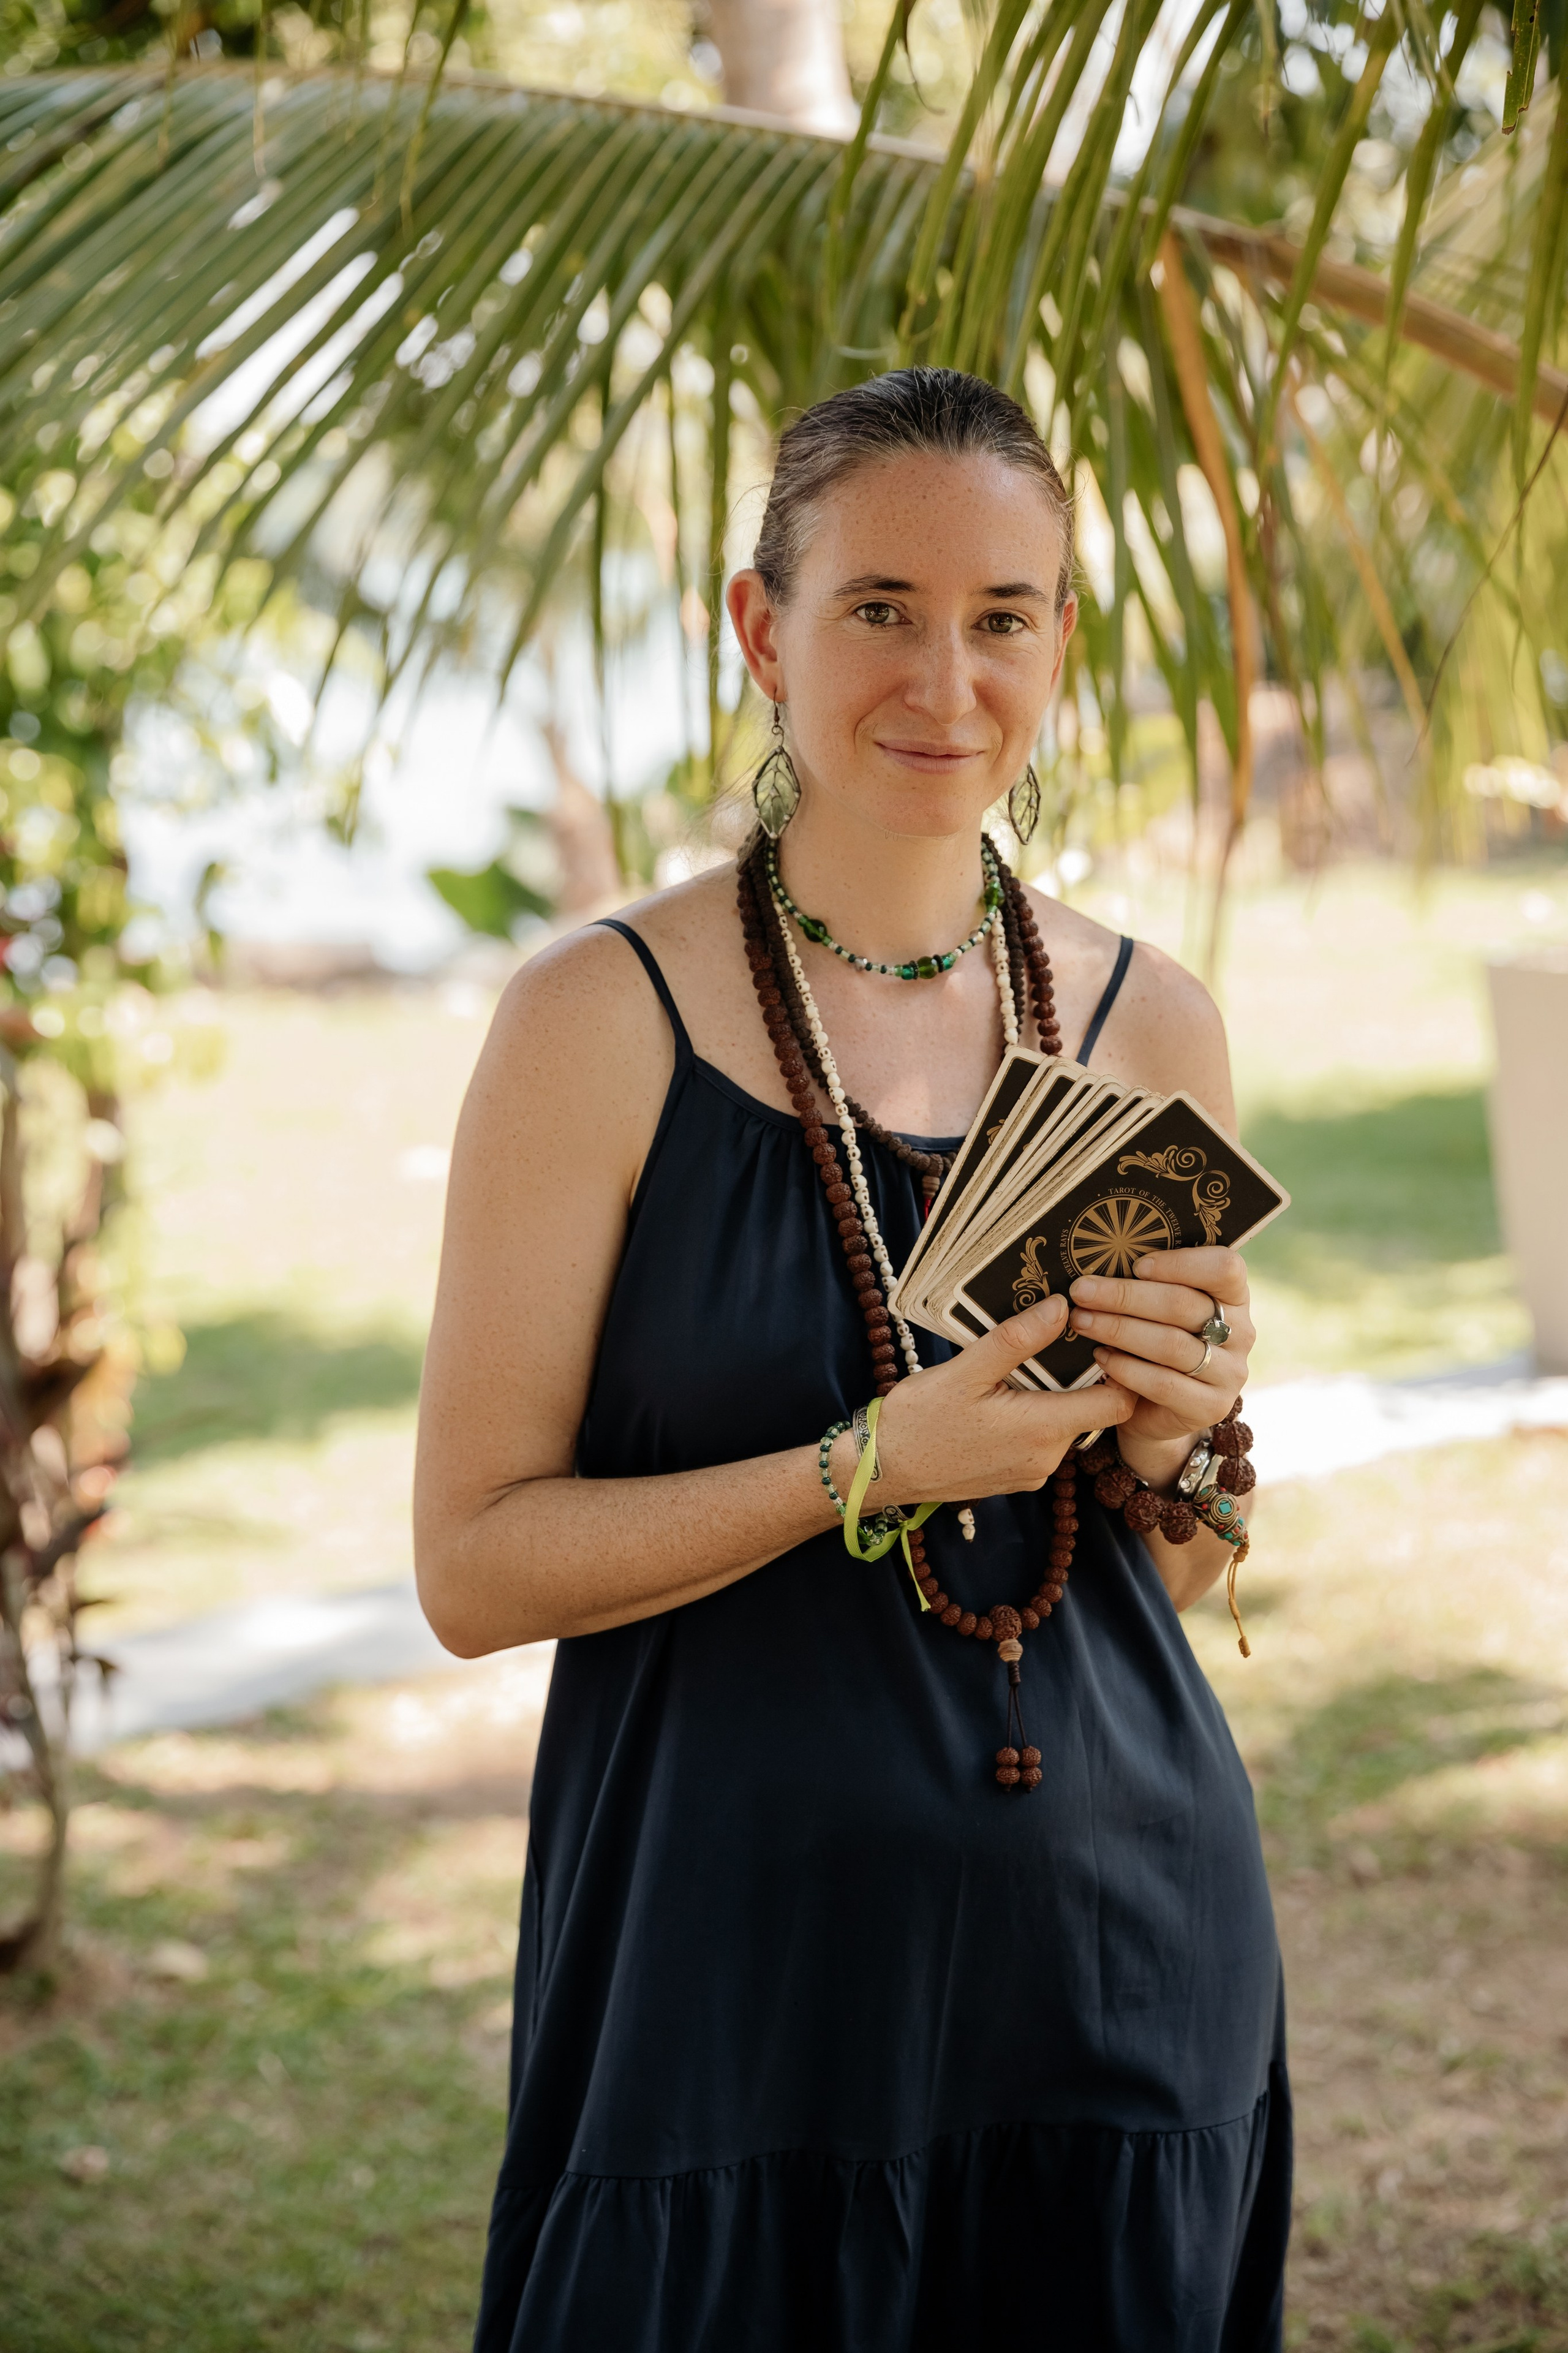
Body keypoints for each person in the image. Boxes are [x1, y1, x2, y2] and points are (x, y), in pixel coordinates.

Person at [415, 366, 1289, 2352]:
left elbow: (1168, 1577)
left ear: (1061, 640)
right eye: (879, 607)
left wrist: (1191, 1435)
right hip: (727, 1998)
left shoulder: (1153, 1021)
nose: (945, 678)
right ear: (761, 630)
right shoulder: (598, 1017)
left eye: (1003, 618)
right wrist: (862, 1465)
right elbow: (469, 1566)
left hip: (1125, 1982)